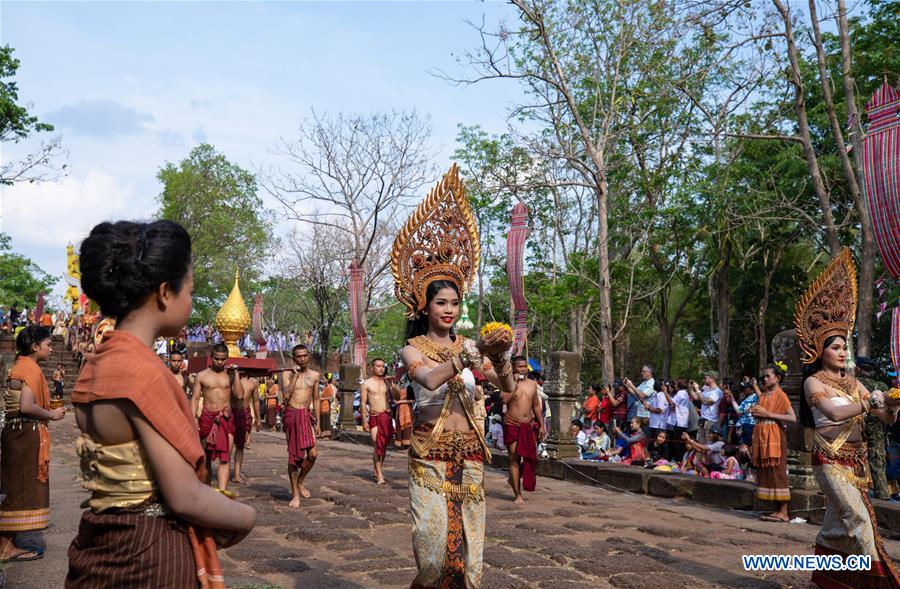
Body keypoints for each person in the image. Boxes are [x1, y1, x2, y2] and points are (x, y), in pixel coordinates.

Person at [66, 220, 255, 587]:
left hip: (98, 539)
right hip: (150, 551)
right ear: (166, 292)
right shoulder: (144, 373)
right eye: (190, 290)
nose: (191, 302)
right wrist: (246, 516)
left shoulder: (96, 365)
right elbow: (184, 496)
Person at [393, 165, 515, 589]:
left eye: (455, 303)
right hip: (430, 452)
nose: (449, 310)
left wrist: (500, 357)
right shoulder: (413, 348)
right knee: (432, 557)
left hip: (471, 454)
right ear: (424, 306)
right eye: (441, 302)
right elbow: (428, 381)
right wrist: (468, 355)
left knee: (466, 558)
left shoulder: (470, 346)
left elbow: (507, 389)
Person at [795, 249, 900, 587]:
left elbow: (885, 418)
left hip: (856, 464)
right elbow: (835, 412)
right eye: (835, 347)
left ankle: (827, 580)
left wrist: (893, 404)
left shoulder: (854, 383)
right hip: (829, 460)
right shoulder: (813, 382)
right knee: (859, 520)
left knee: (836, 527)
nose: (842, 352)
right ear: (819, 350)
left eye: (845, 347)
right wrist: (872, 402)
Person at [0, 326, 65, 563]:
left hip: (17, 432)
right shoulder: (31, 369)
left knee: (14, 485)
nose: (51, 348)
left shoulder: (20, 365)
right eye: (48, 344)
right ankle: (5, 547)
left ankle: (8, 543)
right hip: (24, 433)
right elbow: (26, 406)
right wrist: (52, 415)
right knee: (18, 488)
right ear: (35, 347)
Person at [749, 365, 795, 522]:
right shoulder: (764, 395)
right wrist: (756, 413)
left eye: (768, 376)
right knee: (767, 471)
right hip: (763, 435)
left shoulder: (781, 395)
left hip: (775, 436)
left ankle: (784, 512)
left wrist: (768, 414)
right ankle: (777, 511)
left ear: (778, 378)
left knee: (777, 471)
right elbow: (762, 411)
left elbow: (792, 417)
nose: (765, 378)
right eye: (764, 376)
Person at [192, 343, 238, 494]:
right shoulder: (202, 375)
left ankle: (222, 493)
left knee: (225, 458)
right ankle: (206, 492)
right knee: (206, 458)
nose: (220, 362)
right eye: (217, 359)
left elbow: (239, 395)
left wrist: (236, 374)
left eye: (223, 359)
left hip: (226, 418)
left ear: (227, 358)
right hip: (207, 418)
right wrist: (193, 419)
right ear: (211, 357)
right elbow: (195, 398)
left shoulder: (230, 375)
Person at [501, 356, 545, 503]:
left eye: (524, 366)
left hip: (527, 425)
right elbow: (504, 400)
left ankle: (513, 479)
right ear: (513, 368)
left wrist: (542, 425)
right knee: (514, 459)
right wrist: (513, 383)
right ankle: (517, 494)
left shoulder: (532, 384)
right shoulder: (508, 383)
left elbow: (536, 406)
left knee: (531, 458)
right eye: (519, 366)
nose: (523, 369)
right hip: (512, 424)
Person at [281, 344, 320, 508]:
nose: (302, 359)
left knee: (313, 454)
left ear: (308, 356)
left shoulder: (315, 375)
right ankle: (295, 493)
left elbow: (316, 399)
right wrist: (295, 376)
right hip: (291, 414)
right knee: (293, 456)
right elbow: (286, 395)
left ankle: (300, 480)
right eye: (299, 356)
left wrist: (318, 422)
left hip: (306, 415)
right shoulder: (287, 374)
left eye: (305, 355)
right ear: (294, 358)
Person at [858, 357, 892, 501]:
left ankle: (857, 492)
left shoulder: (852, 383)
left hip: (855, 424)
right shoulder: (880, 386)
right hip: (876, 426)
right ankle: (882, 494)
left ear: (858, 369)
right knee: (877, 460)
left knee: (852, 459)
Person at [361, 358, 397, 485]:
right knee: (377, 443)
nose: (381, 368)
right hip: (374, 416)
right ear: (372, 368)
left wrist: (393, 384)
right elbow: (363, 402)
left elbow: (397, 397)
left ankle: (378, 470)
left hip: (386, 416)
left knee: (384, 445)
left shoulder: (387, 382)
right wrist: (364, 421)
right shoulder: (367, 383)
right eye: (378, 366)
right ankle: (380, 475)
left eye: (382, 366)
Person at [231, 371, 259, 485]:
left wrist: (258, 419)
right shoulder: (230, 376)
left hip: (245, 413)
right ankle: (224, 471)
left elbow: (256, 400)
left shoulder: (253, 381)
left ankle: (237, 475)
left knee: (240, 446)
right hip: (230, 412)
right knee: (227, 446)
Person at [691, 372, 723, 443]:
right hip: (703, 420)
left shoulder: (717, 392)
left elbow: (706, 402)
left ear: (712, 379)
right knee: (700, 443)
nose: (703, 380)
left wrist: (698, 390)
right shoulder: (706, 391)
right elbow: (696, 397)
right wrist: (690, 387)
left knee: (709, 444)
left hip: (711, 422)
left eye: (705, 378)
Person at [394, 381, 415, 449]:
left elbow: (413, 400)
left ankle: (407, 445)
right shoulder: (397, 387)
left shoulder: (410, 387)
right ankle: (400, 444)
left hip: (408, 409)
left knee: (408, 427)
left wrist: (401, 401)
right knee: (399, 426)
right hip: (399, 409)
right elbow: (395, 400)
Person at [319, 373, 335, 439]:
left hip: (326, 405)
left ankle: (327, 436)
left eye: (324, 379)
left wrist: (322, 398)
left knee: (326, 421)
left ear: (327, 380)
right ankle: (323, 435)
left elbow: (331, 397)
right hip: (322, 405)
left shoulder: (329, 387)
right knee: (323, 420)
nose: (323, 380)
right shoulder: (325, 387)